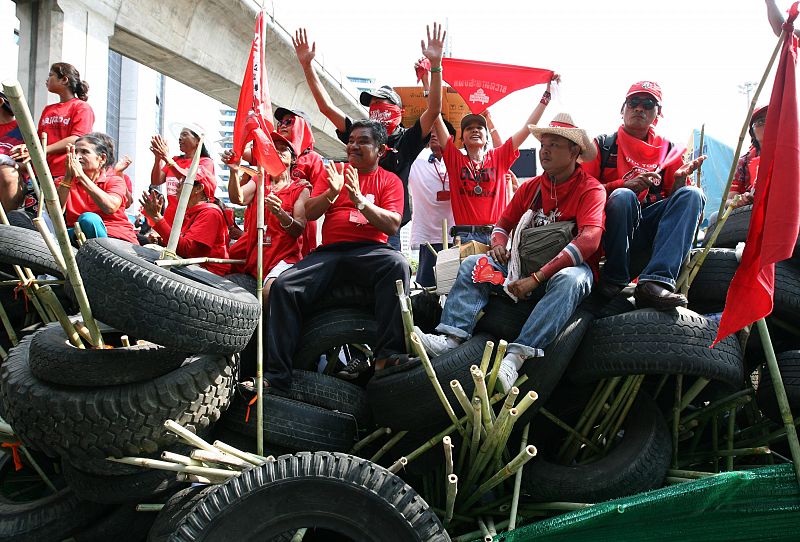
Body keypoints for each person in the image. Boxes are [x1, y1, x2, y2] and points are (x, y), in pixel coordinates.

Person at [415, 113, 605, 393]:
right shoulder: (530, 188)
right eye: (543, 144)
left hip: (554, 278)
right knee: (473, 264)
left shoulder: (591, 189)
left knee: (571, 280)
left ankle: (515, 358)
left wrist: (537, 278)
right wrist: (499, 245)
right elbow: (502, 225)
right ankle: (451, 337)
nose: (545, 151)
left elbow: (590, 239)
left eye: (554, 145)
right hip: (520, 269)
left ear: (575, 151)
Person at [265, 119, 409, 391]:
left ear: (380, 150)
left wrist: (360, 200)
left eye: (362, 141)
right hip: (331, 251)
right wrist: (332, 192)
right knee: (283, 286)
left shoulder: (390, 180)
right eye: (351, 140)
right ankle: (277, 376)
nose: (353, 145)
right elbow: (309, 213)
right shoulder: (334, 172)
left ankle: (387, 357)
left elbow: (391, 224)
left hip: (371, 251)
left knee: (398, 264)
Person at [292, 23, 446, 250]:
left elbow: (433, 110)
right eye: (372, 103)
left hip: (385, 228)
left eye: (382, 103)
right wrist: (307, 66)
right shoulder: (360, 136)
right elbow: (326, 107)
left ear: (399, 111)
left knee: (392, 271)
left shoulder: (407, 140)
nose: (376, 107)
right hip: (346, 227)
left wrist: (435, 66)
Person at [583, 81, 706, 310]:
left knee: (692, 194)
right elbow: (584, 193)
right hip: (613, 229)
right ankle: (615, 276)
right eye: (634, 102)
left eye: (648, 104)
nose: (639, 108)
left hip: (651, 228)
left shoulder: (670, 150)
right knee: (623, 196)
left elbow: (678, 207)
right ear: (623, 109)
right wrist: (625, 184)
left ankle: (655, 282)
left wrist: (679, 181)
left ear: (657, 114)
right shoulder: (602, 145)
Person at [429, 75, 559, 245]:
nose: (475, 130)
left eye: (479, 128)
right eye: (469, 128)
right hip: (465, 237)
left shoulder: (499, 157)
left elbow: (528, 128)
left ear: (486, 135)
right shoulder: (455, 160)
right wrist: (430, 75)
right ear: (462, 138)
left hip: (496, 237)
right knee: (467, 272)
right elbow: (435, 114)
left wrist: (546, 96)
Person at [225, 133, 310, 298]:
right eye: (273, 149)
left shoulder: (301, 188)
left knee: (268, 292)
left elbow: (298, 229)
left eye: (283, 149)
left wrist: (280, 213)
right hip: (256, 259)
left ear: (293, 159)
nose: (277, 152)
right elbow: (238, 198)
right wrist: (234, 172)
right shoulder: (259, 181)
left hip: (283, 259)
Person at [139, 160, 231, 276]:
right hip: (197, 266)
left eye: (183, 181)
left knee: (148, 251)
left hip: (209, 273)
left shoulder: (210, 213)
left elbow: (188, 251)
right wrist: (161, 240)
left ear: (198, 189)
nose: (178, 185)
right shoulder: (192, 212)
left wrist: (157, 218)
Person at [57, 133, 137, 244]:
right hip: (78, 235)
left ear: (102, 158)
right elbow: (54, 213)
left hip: (116, 239)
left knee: (89, 220)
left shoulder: (115, 180)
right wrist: (68, 177)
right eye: (75, 152)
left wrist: (81, 176)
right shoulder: (63, 181)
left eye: (84, 152)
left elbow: (110, 207)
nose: (77, 157)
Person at [408, 120, 456, 287]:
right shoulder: (416, 161)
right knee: (428, 290)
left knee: (454, 288)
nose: (434, 134)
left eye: (439, 130)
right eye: (431, 131)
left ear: (451, 138)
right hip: (427, 237)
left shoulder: (460, 163)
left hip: (456, 237)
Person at [35, 63, 95, 180]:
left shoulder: (81, 107)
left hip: (65, 173)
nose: (47, 79)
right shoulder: (48, 109)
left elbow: (78, 139)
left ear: (64, 79)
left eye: (51, 75)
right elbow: (38, 139)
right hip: (41, 171)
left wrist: (44, 149)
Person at [149, 125, 215, 226]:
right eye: (180, 135)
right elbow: (156, 181)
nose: (180, 138)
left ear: (198, 140)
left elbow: (189, 179)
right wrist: (158, 159)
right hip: (170, 217)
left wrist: (166, 157)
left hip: (191, 219)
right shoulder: (175, 160)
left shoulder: (205, 162)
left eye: (185, 134)